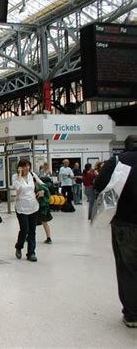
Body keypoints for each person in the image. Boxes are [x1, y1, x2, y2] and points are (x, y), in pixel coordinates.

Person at [95, 135, 137, 328]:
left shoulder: (118, 161)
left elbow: (99, 185)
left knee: (127, 267)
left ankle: (132, 314)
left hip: (125, 221)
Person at [12, 159, 43, 262]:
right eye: (24, 166)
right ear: (19, 167)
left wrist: (42, 190)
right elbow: (18, 188)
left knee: (32, 231)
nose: (27, 168)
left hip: (33, 206)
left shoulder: (32, 175)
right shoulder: (15, 177)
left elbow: (42, 184)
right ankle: (19, 246)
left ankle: (31, 253)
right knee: (24, 229)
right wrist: (20, 175)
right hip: (21, 207)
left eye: (28, 166)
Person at [36, 177, 53, 244]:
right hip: (46, 208)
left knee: (33, 223)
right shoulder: (48, 187)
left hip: (42, 209)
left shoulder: (42, 187)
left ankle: (28, 236)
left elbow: (41, 194)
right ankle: (48, 238)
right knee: (44, 223)